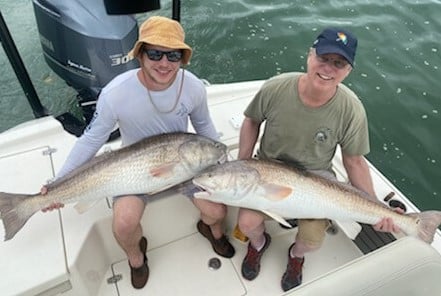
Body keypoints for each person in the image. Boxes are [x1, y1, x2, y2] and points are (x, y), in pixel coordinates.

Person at [41, 16, 235, 289]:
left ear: (182, 58)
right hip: (134, 168)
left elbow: (204, 126)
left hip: (184, 164)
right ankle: (136, 258)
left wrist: (222, 162)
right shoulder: (115, 93)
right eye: (155, 53)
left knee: (217, 211)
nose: (165, 63)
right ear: (140, 54)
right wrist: (57, 183)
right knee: (123, 224)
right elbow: (91, 140)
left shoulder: (192, 86)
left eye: (174, 55)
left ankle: (211, 230)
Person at [236, 28, 400, 291]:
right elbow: (251, 120)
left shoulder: (352, 109)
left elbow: (354, 161)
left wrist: (377, 207)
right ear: (309, 56)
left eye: (339, 63)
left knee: (312, 242)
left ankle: (295, 256)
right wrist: (242, 162)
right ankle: (259, 244)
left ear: (348, 71)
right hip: (268, 172)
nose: (328, 68)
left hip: (316, 182)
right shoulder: (276, 88)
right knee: (247, 223)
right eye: (323, 58)